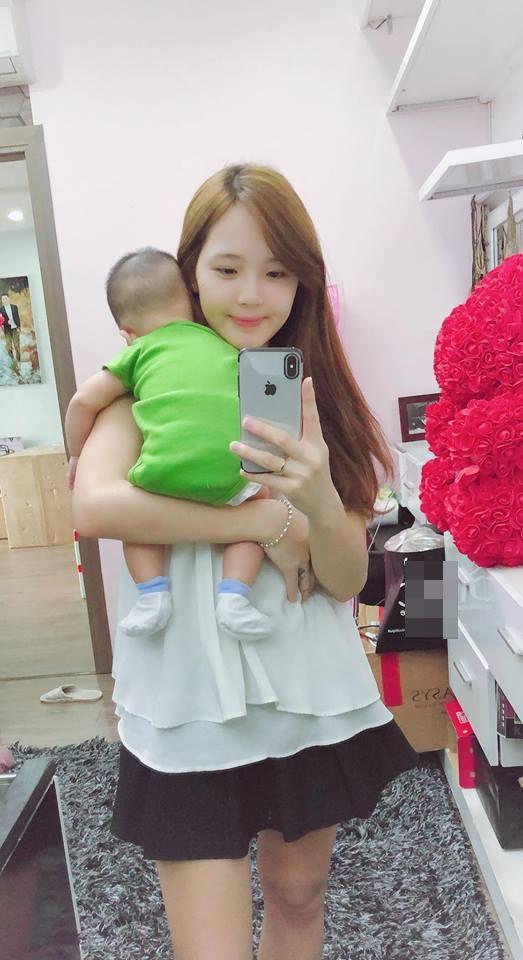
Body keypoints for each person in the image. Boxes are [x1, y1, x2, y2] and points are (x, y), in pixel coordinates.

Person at [72, 163, 418, 960]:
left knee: (298, 897)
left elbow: (344, 580)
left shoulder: (307, 392)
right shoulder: (146, 383)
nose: (252, 295)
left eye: (277, 271)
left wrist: (318, 503)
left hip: (302, 685)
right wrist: (261, 521)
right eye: (227, 269)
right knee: (211, 947)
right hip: (186, 699)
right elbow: (96, 507)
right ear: (189, 271)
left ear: (304, 281)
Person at [65, 248, 273, 642]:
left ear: (127, 333)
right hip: (230, 471)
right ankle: (234, 596)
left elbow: (82, 402)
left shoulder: (138, 351)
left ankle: (152, 594)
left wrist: (76, 453)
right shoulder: (223, 344)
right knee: (252, 515)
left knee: (138, 528)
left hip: (162, 473)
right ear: (191, 305)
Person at [0, 294, 21, 365]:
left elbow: (17, 317)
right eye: (3, 299)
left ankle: (18, 361)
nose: (5, 300)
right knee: (9, 346)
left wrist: (19, 327)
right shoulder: (1, 310)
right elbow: (0, 321)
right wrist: (7, 322)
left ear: (8, 299)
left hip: (15, 328)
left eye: (6, 299)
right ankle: (12, 361)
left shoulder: (14, 307)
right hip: (7, 329)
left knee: (16, 345)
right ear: (2, 300)